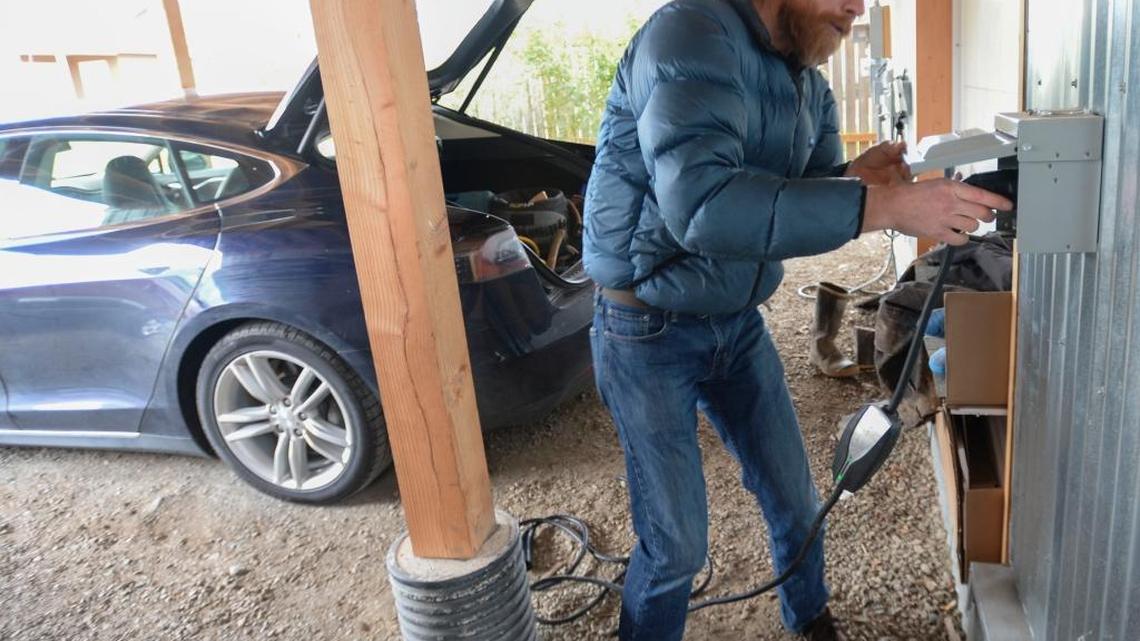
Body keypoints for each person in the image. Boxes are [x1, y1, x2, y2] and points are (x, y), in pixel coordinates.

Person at [581, 0, 1013, 639]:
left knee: (797, 499)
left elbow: (798, 194)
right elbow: (704, 208)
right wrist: (883, 206)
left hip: (737, 320)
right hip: (646, 328)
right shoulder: (688, 34)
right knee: (675, 547)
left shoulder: (804, 76)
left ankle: (809, 617)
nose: (857, 7)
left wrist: (854, 179)